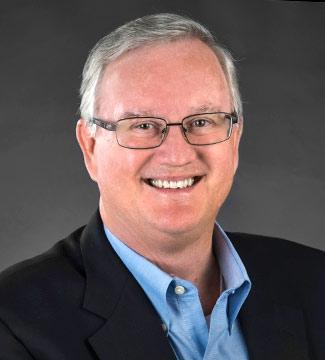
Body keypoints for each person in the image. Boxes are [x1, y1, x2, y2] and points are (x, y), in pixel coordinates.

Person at [0, 13, 324, 360]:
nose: (177, 154)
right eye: (142, 125)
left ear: (235, 139)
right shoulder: (14, 322)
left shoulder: (316, 282)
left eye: (202, 121)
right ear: (90, 147)